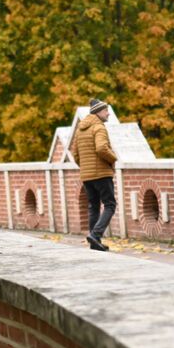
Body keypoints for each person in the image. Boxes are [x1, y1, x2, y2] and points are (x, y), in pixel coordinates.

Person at [72, 98, 119, 251]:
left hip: (86, 176)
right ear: (99, 112)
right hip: (101, 174)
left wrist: (84, 167)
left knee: (93, 206)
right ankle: (96, 234)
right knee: (110, 205)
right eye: (106, 111)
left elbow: (75, 154)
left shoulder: (80, 129)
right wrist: (114, 158)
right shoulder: (99, 127)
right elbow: (101, 149)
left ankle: (94, 242)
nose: (108, 114)